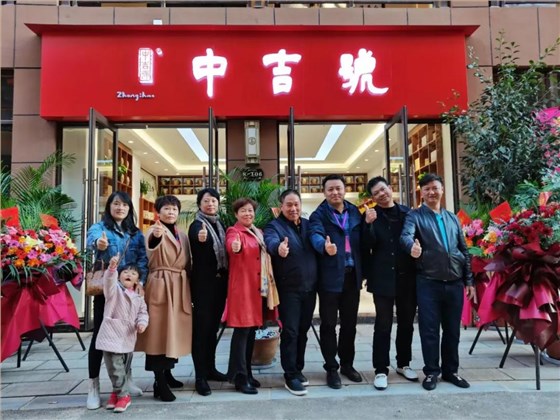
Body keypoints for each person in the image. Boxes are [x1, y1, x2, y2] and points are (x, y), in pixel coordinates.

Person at [400, 173, 475, 391]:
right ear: (421, 193)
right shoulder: (415, 216)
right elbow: (405, 236)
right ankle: (432, 372)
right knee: (430, 330)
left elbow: (464, 250)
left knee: (452, 330)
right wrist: (412, 248)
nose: (431, 192)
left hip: (454, 282)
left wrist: (469, 280)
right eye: (427, 189)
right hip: (428, 282)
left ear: (442, 190)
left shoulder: (452, 218)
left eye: (435, 188)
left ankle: (451, 371)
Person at [86, 191, 148, 410]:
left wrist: (141, 282)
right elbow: (92, 241)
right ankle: (93, 385)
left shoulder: (136, 233)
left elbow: (142, 259)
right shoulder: (100, 228)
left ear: (129, 208)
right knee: (100, 336)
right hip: (108, 290)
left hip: (129, 293)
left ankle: (125, 380)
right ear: (109, 207)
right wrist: (99, 244)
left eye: (124, 205)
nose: (120, 208)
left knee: (128, 335)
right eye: (116, 204)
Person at [361, 176, 418, 391]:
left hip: (407, 277)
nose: (381, 194)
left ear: (390, 189)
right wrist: (368, 225)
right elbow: (365, 246)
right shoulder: (371, 216)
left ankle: (403, 363)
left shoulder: (408, 213)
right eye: (376, 193)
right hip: (382, 278)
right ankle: (381, 369)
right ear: (372, 198)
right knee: (383, 325)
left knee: (406, 323)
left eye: (383, 190)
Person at [135, 195, 192, 402]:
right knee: (158, 335)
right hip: (160, 284)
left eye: (174, 209)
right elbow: (151, 247)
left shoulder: (181, 234)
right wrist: (156, 237)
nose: (171, 212)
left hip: (178, 285)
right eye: (166, 208)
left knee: (172, 332)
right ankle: (159, 381)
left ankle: (167, 374)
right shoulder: (154, 230)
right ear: (158, 212)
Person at [309, 174, 363, 389]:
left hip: (352, 276)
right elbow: (314, 234)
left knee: (350, 325)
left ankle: (347, 364)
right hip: (330, 278)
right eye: (330, 189)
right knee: (329, 325)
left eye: (338, 188)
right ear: (324, 192)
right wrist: (324, 246)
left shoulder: (355, 212)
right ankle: (331, 367)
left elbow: (364, 239)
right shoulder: (319, 215)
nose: (335, 192)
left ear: (344, 190)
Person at [264, 189, 318, 396]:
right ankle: (290, 374)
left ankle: (298, 369)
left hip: (310, 288)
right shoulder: (274, 226)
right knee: (291, 331)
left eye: (296, 204)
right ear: (281, 207)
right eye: (289, 205)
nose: (293, 208)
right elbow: (270, 242)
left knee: (303, 330)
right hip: (289, 289)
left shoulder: (308, 225)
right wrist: (279, 248)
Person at [225, 198, 279, 395]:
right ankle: (239, 378)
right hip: (242, 290)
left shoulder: (258, 232)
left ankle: (246, 373)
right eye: (243, 211)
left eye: (250, 211)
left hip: (257, 289)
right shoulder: (234, 232)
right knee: (241, 334)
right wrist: (235, 247)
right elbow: (232, 246)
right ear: (236, 214)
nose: (247, 214)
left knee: (249, 334)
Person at [188, 188, 228, 397]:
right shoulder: (197, 225)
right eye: (206, 201)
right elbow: (197, 239)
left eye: (214, 200)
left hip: (219, 285)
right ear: (199, 204)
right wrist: (201, 238)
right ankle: (200, 377)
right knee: (201, 331)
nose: (210, 204)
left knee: (212, 329)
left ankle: (211, 369)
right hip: (203, 287)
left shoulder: (220, 224)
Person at [96, 254, 149, 413]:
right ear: (119, 276)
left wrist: (142, 323)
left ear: (137, 280)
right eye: (125, 272)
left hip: (128, 338)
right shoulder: (114, 291)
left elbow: (143, 313)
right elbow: (109, 281)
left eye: (133, 273)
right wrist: (112, 268)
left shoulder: (139, 297)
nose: (128, 274)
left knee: (124, 368)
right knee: (115, 367)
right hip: (111, 335)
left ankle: (116, 393)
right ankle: (123, 395)